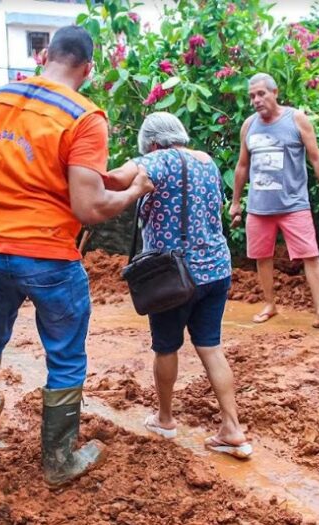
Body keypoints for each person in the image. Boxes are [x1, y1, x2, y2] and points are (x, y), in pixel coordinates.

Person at [0, 25, 153, 485]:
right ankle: (58, 461)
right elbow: (88, 207)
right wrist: (133, 190)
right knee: (66, 356)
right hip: (48, 252)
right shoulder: (84, 116)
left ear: (45, 54)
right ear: (88, 69)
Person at [106, 112, 252, 459]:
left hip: (173, 276)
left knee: (167, 347)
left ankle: (165, 419)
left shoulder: (156, 159)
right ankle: (233, 429)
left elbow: (114, 179)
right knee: (211, 347)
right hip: (216, 269)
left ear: (153, 143)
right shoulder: (207, 162)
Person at [230, 73, 319, 335]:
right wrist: (236, 202)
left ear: (275, 92)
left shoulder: (296, 119)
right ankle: (269, 305)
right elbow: (242, 165)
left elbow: (316, 158)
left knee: (310, 256)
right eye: (252, 96)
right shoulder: (249, 126)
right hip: (259, 207)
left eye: (261, 94)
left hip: (294, 204)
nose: (256, 100)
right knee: (262, 257)